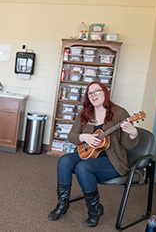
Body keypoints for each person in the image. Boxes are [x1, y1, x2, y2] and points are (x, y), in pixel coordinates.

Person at [48, 82, 139, 227]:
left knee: (83, 168)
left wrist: (133, 133)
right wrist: (84, 137)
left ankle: (94, 210)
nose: (93, 95)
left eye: (97, 91)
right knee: (64, 161)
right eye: (90, 93)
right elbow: (71, 136)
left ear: (105, 92)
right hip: (88, 153)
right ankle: (62, 204)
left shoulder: (119, 113)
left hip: (112, 160)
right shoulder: (85, 113)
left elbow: (128, 145)